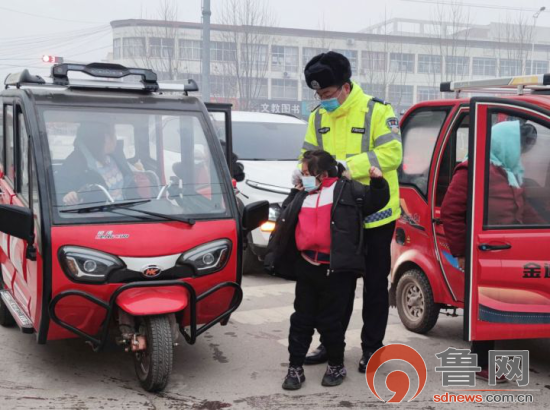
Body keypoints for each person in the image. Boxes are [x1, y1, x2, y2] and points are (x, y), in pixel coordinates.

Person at [297, 51, 403, 372]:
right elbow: (307, 156)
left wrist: (348, 166)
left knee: (373, 286)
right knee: (335, 288)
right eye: (318, 95)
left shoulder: (376, 111)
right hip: (337, 218)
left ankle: (371, 349)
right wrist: (304, 180)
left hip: (376, 216)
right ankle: (331, 345)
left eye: (328, 94)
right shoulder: (318, 117)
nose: (324, 100)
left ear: (345, 86)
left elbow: (392, 153)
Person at [267, 150, 389, 390]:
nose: (302, 177)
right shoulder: (303, 193)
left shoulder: (347, 190)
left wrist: (378, 181)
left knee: (330, 322)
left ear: (322, 174)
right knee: (300, 320)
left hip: (336, 271)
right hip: (307, 267)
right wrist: (295, 191)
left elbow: (376, 201)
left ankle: (336, 365)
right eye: (301, 173)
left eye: (306, 173)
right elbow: (286, 217)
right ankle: (295, 368)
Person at [441, 120, 541, 382]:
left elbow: (522, 208)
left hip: (510, 246)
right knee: (484, 306)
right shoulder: (471, 170)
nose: (521, 154)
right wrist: (462, 252)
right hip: (484, 249)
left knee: (501, 303)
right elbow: (451, 212)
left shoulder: (507, 170)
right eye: (518, 147)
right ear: (504, 143)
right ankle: (480, 363)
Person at [57, 122, 137, 205]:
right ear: (106, 138)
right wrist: (68, 197)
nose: (116, 138)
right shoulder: (74, 162)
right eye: (114, 133)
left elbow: (128, 179)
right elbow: (59, 192)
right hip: (100, 214)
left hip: (127, 209)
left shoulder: (115, 155)